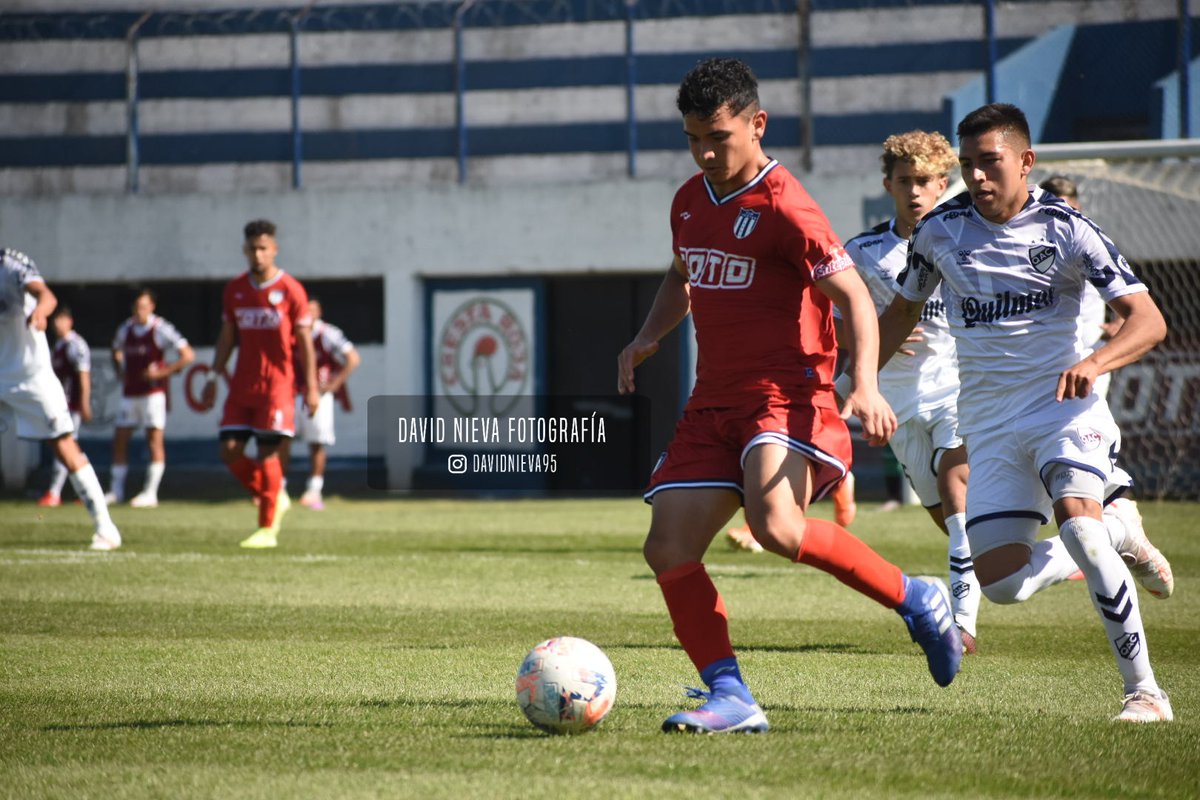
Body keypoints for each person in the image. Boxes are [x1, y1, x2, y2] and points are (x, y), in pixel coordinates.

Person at [616, 58, 962, 735]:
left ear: (757, 124)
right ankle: (732, 697)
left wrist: (862, 383)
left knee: (777, 527)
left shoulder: (786, 205)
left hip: (784, 396)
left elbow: (856, 296)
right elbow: (680, 275)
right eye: (693, 139)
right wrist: (646, 336)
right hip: (712, 402)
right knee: (667, 547)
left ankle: (915, 596)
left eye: (719, 136)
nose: (707, 152)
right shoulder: (689, 200)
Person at [876, 103, 1175, 723]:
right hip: (987, 424)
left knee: (1079, 528)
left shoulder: (1068, 228)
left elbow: (1149, 321)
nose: (977, 177)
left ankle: (1145, 692)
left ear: (1025, 161)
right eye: (968, 165)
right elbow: (901, 313)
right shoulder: (940, 231)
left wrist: (1095, 363)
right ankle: (1122, 532)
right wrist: (854, 382)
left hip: (1063, 411)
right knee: (1002, 584)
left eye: (990, 162)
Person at [839, 130, 981, 654]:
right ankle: (1044, 561)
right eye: (905, 182)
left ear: (943, 183)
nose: (915, 191)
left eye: (925, 182)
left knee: (959, 491)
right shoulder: (861, 251)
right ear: (888, 185)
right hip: (893, 401)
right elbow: (832, 326)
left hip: (956, 391)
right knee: (952, 522)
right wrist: (876, 334)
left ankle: (962, 624)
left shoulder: (966, 239)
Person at [198, 219, 319, 549]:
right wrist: (212, 375)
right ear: (245, 250)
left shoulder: (291, 290)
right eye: (252, 249)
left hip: (277, 385)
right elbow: (227, 336)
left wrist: (311, 387)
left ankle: (267, 529)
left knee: (268, 454)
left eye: (264, 248)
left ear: (274, 249)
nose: (258, 254)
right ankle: (274, 494)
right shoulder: (235, 290)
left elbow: (305, 342)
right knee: (229, 451)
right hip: (242, 384)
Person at [1, 248, 120, 550]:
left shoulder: (12, 263)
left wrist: (41, 310)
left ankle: (106, 529)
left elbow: (47, 296)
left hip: (30, 376)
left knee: (65, 447)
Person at [1038, 175, 1125, 399]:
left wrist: (1119, 323)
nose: (1064, 217)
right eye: (1056, 209)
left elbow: (1127, 295)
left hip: (1090, 356)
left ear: (1079, 208)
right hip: (1042, 358)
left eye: (1071, 209)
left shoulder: (1093, 245)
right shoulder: (1029, 248)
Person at [106, 288, 194, 508]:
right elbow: (115, 349)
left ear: (152, 307)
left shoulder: (160, 328)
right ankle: (116, 490)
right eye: (137, 306)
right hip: (130, 393)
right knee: (120, 439)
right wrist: (120, 369)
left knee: (154, 440)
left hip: (153, 394)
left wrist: (162, 372)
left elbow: (187, 355)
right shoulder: (125, 328)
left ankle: (150, 493)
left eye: (144, 306)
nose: (140, 310)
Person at [278, 297, 360, 511]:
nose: (308, 314)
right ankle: (278, 488)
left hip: (317, 395)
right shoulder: (288, 331)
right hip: (292, 391)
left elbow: (352, 358)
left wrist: (334, 384)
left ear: (319, 312)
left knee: (317, 442)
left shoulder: (328, 334)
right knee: (282, 439)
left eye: (312, 310)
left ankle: (314, 490)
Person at [39, 306, 92, 507]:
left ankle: (54, 492)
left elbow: (84, 375)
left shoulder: (75, 345)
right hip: (60, 405)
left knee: (65, 446)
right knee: (69, 448)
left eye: (61, 319)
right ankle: (86, 491)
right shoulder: (59, 345)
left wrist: (84, 403)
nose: (56, 324)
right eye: (55, 320)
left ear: (69, 321)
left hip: (72, 406)